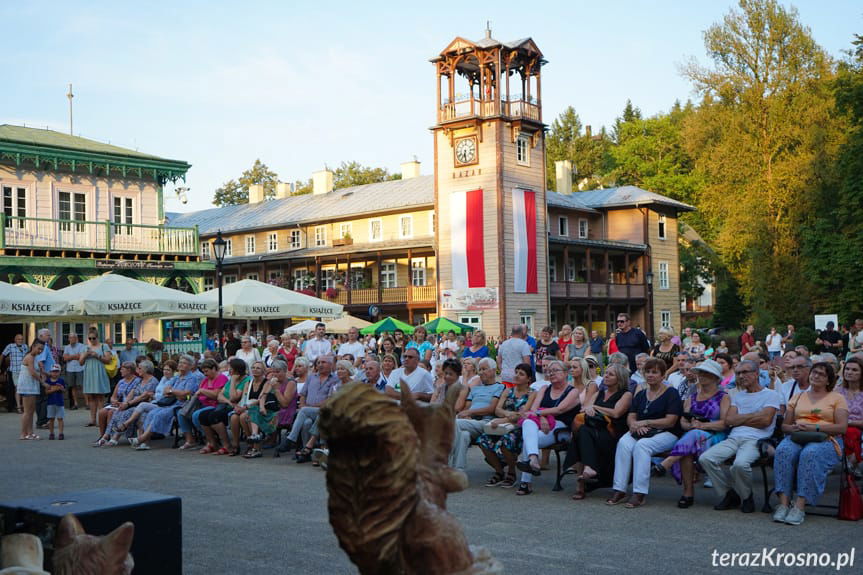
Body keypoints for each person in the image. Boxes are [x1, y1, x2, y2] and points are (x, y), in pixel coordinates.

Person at [699, 359, 781, 513]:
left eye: (745, 372)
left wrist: (741, 418)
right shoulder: (737, 396)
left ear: (756, 374)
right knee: (706, 459)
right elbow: (729, 420)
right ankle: (729, 494)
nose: (741, 376)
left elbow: (765, 421)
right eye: (738, 373)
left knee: (740, 465)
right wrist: (755, 414)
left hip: (756, 440)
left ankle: (746, 497)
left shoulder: (771, 395)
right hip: (734, 438)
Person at [772, 362, 848, 525]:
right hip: (799, 436)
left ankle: (799, 506)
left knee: (810, 453)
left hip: (827, 438)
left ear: (829, 380)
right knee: (783, 450)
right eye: (814, 372)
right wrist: (793, 427)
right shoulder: (798, 397)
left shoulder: (837, 398)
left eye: (821, 374)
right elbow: (785, 426)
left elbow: (842, 427)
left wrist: (816, 427)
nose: (816, 376)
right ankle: (783, 504)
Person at [607, 357, 682, 508]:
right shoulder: (641, 394)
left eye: (655, 372)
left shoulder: (671, 393)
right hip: (641, 430)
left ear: (663, 375)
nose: (650, 375)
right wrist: (634, 425)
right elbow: (631, 416)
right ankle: (620, 489)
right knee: (623, 443)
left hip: (667, 432)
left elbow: (670, 421)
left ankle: (639, 493)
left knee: (642, 446)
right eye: (647, 372)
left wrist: (646, 422)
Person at [653, 359, 730, 508]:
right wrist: (690, 425)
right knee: (688, 446)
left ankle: (669, 462)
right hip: (693, 437)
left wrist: (702, 425)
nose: (701, 376)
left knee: (693, 437)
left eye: (706, 373)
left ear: (715, 377)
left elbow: (724, 424)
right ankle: (687, 493)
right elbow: (683, 421)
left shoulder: (724, 397)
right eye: (700, 373)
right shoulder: (691, 397)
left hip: (716, 436)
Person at [565, 362, 632, 500]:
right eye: (606, 373)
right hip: (593, 431)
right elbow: (584, 409)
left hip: (612, 434)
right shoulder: (598, 393)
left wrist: (596, 407)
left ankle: (581, 483)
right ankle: (587, 471)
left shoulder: (626, 395)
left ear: (619, 378)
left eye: (610, 374)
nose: (606, 376)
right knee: (582, 432)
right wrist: (591, 408)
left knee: (581, 434)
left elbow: (616, 413)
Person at [514, 360, 580, 495]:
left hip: (561, 428)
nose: (551, 373)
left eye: (555, 370)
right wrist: (542, 417)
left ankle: (526, 482)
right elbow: (534, 408)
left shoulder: (572, 391)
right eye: (549, 371)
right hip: (542, 424)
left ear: (565, 373)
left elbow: (559, 410)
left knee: (529, 439)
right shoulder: (544, 388)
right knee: (527, 424)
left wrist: (540, 414)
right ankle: (533, 459)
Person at [478, 363, 536, 488]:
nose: (517, 375)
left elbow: (523, 414)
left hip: (519, 427)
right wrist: (508, 414)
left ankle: (511, 472)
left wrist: (503, 419)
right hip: (502, 426)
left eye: (521, 374)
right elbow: (497, 409)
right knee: (482, 440)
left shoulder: (532, 393)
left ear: (528, 379)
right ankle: (499, 471)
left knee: (506, 441)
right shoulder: (508, 390)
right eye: (516, 372)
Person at [135, 355, 203, 450]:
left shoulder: (192, 378)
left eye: (184, 363)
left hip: (183, 405)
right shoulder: (177, 377)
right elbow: (165, 391)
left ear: (190, 366)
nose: (181, 364)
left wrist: (172, 392)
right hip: (172, 403)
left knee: (160, 414)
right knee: (152, 413)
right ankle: (144, 443)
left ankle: (141, 439)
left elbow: (185, 394)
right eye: (180, 362)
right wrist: (175, 393)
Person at [450, 358, 505, 471]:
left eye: (484, 369)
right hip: (470, 422)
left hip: (486, 422)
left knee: (453, 423)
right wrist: (466, 415)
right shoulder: (475, 389)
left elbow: (491, 409)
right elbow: (467, 407)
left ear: (493, 370)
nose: (481, 372)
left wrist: (470, 412)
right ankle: (458, 470)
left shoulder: (500, 387)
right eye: (480, 369)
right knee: (464, 435)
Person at [278, 356, 338, 457]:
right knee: (307, 423)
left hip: (324, 411)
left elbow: (330, 400)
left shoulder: (335, 379)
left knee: (304, 411)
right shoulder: (311, 377)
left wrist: (308, 407)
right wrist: (302, 404)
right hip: (309, 411)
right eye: (318, 363)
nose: (320, 365)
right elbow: (303, 394)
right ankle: (306, 451)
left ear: (330, 365)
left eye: (323, 362)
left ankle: (291, 439)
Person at [199, 358, 249, 455]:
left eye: (231, 369)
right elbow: (219, 396)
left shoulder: (245, 380)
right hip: (227, 406)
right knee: (203, 415)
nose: (229, 370)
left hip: (237, 408)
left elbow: (234, 397)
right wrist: (229, 402)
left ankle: (227, 445)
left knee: (214, 416)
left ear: (237, 369)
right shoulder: (230, 381)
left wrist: (233, 381)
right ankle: (212, 443)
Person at [122, 360, 178, 440]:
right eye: (164, 369)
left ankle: (127, 424)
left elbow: (167, 395)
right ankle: (140, 440)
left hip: (165, 405)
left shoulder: (174, 380)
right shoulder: (163, 379)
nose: (165, 372)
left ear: (173, 371)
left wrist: (155, 396)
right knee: (142, 413)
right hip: (156, 402)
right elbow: (160, 393)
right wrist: (153, 395)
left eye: (168, 370)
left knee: (142, 405)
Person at [80, 332, 112, 428]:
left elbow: (108, 360)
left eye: (93, 338)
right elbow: (80, 362)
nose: (92, 340)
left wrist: (97, 355)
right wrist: (85, 355)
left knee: (100, 396)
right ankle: (93, 420)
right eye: (90, 338)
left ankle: (101, 420)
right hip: (89, 373)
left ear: (97, 337)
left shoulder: (104, 346)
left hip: (99, 372)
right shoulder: (85, 348)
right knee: (91, 397)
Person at [837, 357, 863, 472]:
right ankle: (852, 465)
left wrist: (849, 422)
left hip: (858, 428)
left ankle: (851, 464)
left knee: (851, 432)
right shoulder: (838, 391)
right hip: (841, 428)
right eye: (847, 369)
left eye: (854, 370)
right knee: (848, 432)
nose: (849, 372)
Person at [17, 340, 44, 440]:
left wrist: (42, 370)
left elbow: (37, 371)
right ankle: (23, 434)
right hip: (27, 386)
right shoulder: (29, 357)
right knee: (27, 411)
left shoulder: (35, 358)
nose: (40, 351)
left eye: (42, 349)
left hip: (32, 386)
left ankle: (30, 433)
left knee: (31, 411)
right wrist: (43, 382)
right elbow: (32, 373)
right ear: (33, 346)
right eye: (39, 348)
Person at [2, 334, 28, 414]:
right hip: (15, 371)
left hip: (24, 371)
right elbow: (2, 355)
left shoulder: (25, 346)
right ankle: (18, 407)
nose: (20, 340)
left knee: (23, 389)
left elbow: (28, 357)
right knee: (18, 388)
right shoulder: (10, 346)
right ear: (15, 340)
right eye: (18, 339)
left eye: (21, 339)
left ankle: (24, 406)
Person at [62, 333, 86, 410]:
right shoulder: (67, 347)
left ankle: (87, 403)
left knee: (82, 386)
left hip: (80, 368)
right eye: (70, 338)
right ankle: (75, 404)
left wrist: (70, 357)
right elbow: (65, 358)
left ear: (76, 338)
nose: (71, 339)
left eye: (73, 338)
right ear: (68, 339)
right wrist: (75, 356)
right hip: (70, 369)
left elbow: (81, 356)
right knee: (73, 386)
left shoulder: (82, 346)